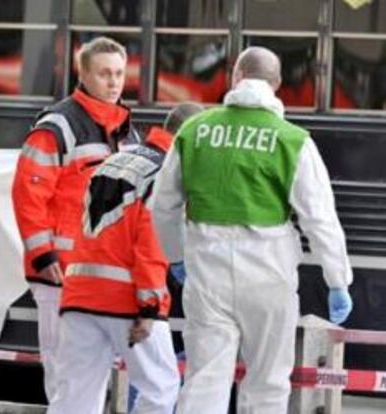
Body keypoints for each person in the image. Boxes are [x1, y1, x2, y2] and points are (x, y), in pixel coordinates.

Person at [150, 46, 354, 414]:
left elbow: (162, 206)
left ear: (235, 77)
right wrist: (337, 279)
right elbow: (320, 219)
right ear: (276, 85)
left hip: (207, 276)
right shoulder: (293, 140)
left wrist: (175, 258)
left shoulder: (193, 131)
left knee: (205, 379)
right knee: (267, 383)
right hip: (269, 278)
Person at [46, 102, 203, 414]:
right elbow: (152, 236)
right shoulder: (166, 171)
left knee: (75, 396)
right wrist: (149, 303)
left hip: (79, 292)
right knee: (161, 388)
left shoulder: (113, 160)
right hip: (127, 299)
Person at [11, 36, 140, 403]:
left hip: (100, 277)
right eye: (104, 74)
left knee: (89, 377)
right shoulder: (58, 126)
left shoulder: (126, 131)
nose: (114, 82)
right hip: (60, 274)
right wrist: (43, 254)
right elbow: (28, 192)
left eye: (118, 73)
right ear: (83, 73)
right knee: (66, 375)